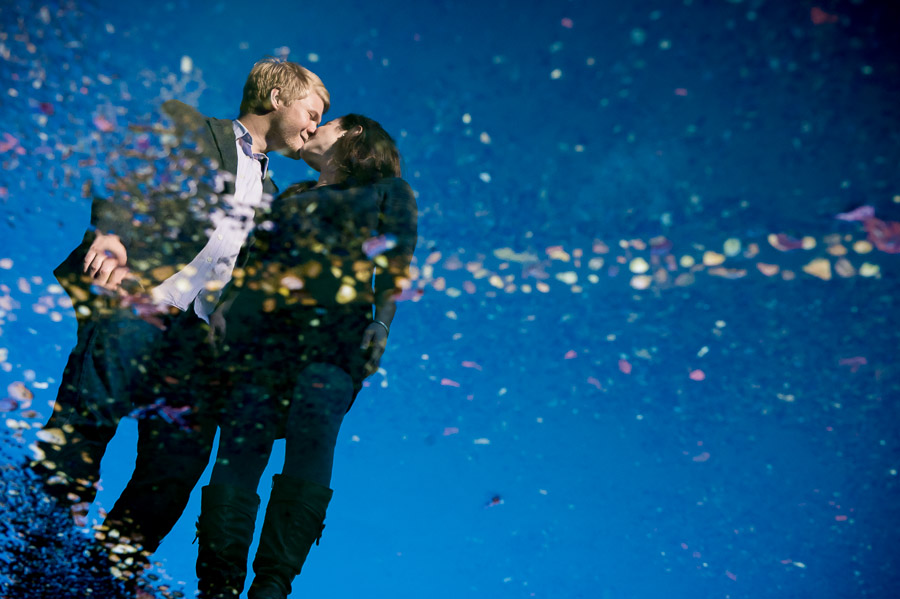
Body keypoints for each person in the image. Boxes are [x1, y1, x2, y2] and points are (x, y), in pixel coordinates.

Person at [32, 58, 329, 579]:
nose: (314, 126)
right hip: (138, 303)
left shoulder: (277, 200)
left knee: (174, 472)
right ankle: (33, 554)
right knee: (84, 424)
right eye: (312, 111)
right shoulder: (194, 131)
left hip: (198, 348)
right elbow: (127, 167)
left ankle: (96, 580)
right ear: (279, 96)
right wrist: (110, 232)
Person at [193, 114, 418, 599]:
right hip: (258, 340)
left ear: (355, 135)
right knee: (241, 442)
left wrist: (381, 324)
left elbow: (394, 266)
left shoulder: (387, 191)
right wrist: (226, 307)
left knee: (314, 429)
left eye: (328, 122)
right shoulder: (288, 197)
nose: (314, 128)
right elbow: (251, 264)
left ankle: (272, 583)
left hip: (333, 337)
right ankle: (217, 583)